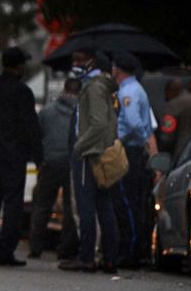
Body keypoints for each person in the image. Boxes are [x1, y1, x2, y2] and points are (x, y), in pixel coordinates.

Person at [0, 47, 43, 266]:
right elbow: (31, 127)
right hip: (14, 157)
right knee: (13, 203)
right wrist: (38, 157)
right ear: (19, 66)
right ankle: (5, 250)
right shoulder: (22, 92)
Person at [59, 49, 120, 273]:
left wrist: (79, 147)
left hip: (88, 155)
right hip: (100, 152)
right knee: (104, 205)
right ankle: (109, 256)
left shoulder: (93, 88)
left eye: (79, 59)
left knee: (86, 206)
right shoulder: (103, 88)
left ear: (91, 62)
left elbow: (97, 124)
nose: (75, 64)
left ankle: (87, 256)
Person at [110, 51, 154, 269]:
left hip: (130, 151)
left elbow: (134, 123)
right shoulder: (137, 89)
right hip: (136, 151)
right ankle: (134, 250)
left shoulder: (129, 91)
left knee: (126, 202)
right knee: (133, 202)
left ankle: (130, 252)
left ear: (117, 69)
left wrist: (122, 139)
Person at [28, 78, 80, 259]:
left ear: (64, 89)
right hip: (72, 163)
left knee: (42, 205)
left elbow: (36, 136)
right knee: (69, 207)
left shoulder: (48, 111)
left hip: (50, 162)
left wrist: (39, 161)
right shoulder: (81, 113)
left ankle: (35, 246)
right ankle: (65, 249)